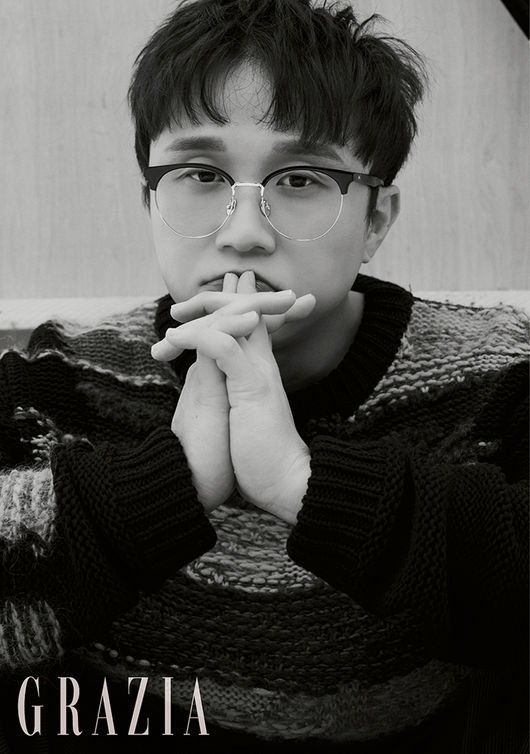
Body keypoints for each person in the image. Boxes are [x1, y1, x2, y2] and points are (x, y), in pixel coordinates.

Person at [0, 0, 528, 751]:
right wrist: (164, 488)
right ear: (150, 200)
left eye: (302, 179)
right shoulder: (56, 378)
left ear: (377, 220)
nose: (244, 233)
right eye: (200, 174)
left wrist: (302, 484)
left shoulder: (501, 379)